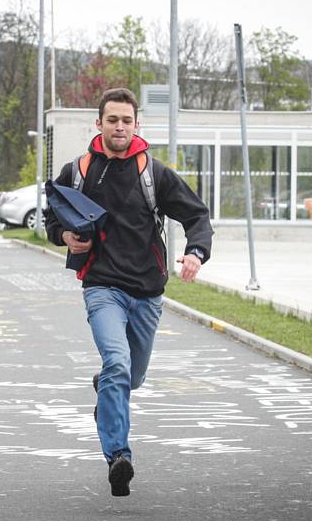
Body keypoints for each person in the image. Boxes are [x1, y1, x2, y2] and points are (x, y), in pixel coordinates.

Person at [44, 88, 213, 498]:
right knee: (118, 364)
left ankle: (107, 388)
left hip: (147, 293)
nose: (119, 127)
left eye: (126, 120)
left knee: (129, 377)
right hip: (102, 287)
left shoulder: (154, 173)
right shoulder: (79, 171)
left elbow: (196, 215)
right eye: (112, 120)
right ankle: (119, 456)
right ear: (98, 124)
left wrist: (196, 252)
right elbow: (52, 218)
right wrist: (65, 235)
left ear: (137, 125)